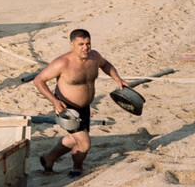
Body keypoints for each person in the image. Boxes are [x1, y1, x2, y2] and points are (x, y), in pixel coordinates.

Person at [32, 28, 130, 178]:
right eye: (81, 44)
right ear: (72, 45)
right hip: (67, 109)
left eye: (88, 44)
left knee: (74, 138)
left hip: (85, 107)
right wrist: (54, 101)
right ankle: (77, 168)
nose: (85, 47)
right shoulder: (62, 63)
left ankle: (49, 158)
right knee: (84, 143)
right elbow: (39, 80)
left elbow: (105, 65)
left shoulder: (94, 57)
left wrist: (117, 79)